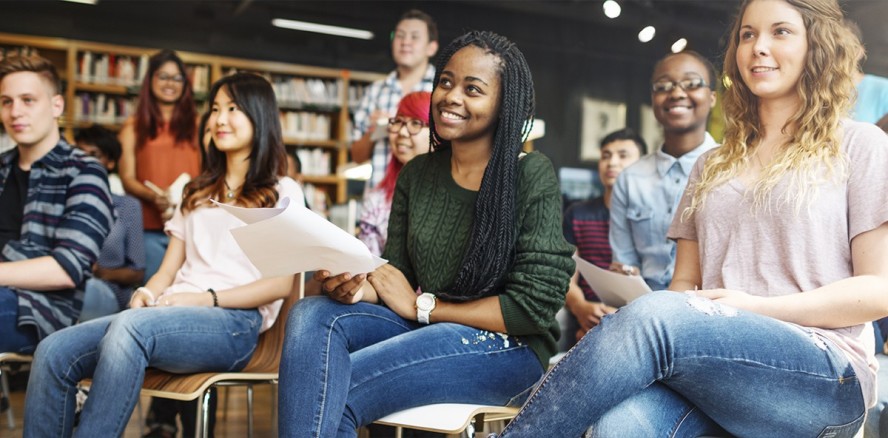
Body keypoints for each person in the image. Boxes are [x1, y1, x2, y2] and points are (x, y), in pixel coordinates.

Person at [497, 0, 888, 436]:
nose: (758, 47)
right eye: (747, 34)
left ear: (817, 45)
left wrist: (758, 309)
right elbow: (684, 286)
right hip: (715, 369)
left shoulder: (859, 145)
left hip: (824, 372)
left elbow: (879, 290)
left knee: (653, 315)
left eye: (780, 32)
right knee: (618, 428)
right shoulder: (711, 165)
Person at [278, 30, 574, 437]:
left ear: (504, 105)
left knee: (335, 390)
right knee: (311, 314)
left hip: (509, 349)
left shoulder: (530, 173)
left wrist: (425, 308)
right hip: (428, 327)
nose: (451, 96)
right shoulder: (418, 174)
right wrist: (354, 286)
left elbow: (533, 307)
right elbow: (395, 277)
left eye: (473, 89)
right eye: (446, 82)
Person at [24, 72, 303, 437]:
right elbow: (167, 269)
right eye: (215, 109)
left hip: (236, 324)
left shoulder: (282, 191)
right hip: (171, 311)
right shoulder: (195, 191)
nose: (219, 119)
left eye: (233, 109)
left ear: (260, 115)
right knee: (53, 350)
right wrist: (148, 293)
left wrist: (205, 299)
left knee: (129, 328)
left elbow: (280, 285)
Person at [0, 55, 114, 354]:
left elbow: (67, 268)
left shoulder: (84, 171)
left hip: (41, 309)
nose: (15, 112)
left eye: (28, 100)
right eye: (6, 102)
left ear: (57, 106)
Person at [608, 50, 718, 291]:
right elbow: (624, 261)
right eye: (664, 86)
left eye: (692, 83)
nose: (677, 93)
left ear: (712, 97)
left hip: (711, 310)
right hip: (644, 306)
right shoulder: (629, 179)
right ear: (653, 98)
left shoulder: (732, 169)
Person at [118, 49, 200, 283]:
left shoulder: (199, 125)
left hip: (191, 228)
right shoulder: (133, 126)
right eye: (163, 76)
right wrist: (155, 196)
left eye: (177, 78)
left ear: (185, 83)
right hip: (149, 229)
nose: (170, 84)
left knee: (187, 294)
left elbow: (209, 172)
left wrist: (185, 196)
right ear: (150, 80)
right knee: (154, 295)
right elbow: (127, 178)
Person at [560, 128, 645, 348]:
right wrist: (581, 308)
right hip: (588, 318)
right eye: (606, 155)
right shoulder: (577, 214)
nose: (612, 163)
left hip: (639, 320)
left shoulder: (651, 218)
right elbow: (566, 275)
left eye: (623, 156)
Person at [351, 9, 438, 192]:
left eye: (414, 37)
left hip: (426, 196)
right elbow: (356, 156)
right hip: (379, 200)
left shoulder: (441, 91)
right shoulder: (374, 92)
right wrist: (375, 132)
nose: (405, 42)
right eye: (399, 36)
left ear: (431, 47)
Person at [73, 125, 145, 321]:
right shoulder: (63, 202)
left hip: (105, 289)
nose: (85, 160)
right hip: (64, 285)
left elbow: (137, 272)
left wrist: (99, 272)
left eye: (94, 155)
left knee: (83, 291)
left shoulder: (127, 206)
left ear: (111, 162)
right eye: (79, 153)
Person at [358, 91, 432, 256]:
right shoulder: (377, 201)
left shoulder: (455, 196)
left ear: (438, 133)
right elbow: (365, 267)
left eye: (415, 123)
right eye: (398, 122)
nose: (402, 132)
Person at [845, 19, 888, 129]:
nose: (840, 54)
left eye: (848, 47)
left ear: (860, 52)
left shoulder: (883, 89)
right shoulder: (817, 90)